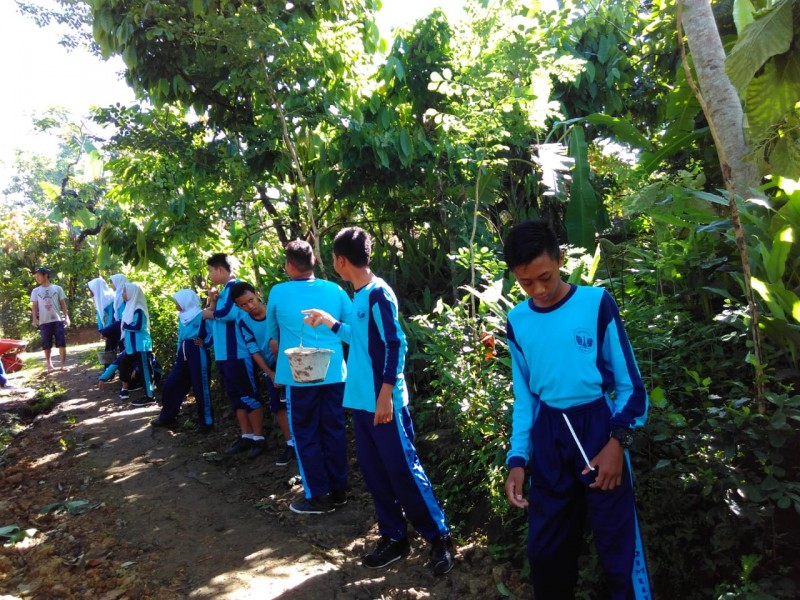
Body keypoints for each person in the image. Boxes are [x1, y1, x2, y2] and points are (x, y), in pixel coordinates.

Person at [501, 219, 652, 599]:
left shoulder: (596, 303)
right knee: (545, 553)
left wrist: (618, 443)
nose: (539, 290)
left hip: (599, 428)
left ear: (559, 259)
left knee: (618, 550)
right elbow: (526, 398)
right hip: (549, 435)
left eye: (545, 277)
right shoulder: (517, 321)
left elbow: (632, 388)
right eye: (526, 283)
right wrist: (517, 459)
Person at [303, 226, 455, 575]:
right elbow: (361, 339)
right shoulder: (359, 295)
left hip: (384, 404)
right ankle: (394, 537)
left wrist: (386, 394)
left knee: (404, 471)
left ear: (341, 261)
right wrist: (330, 323)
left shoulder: (378, 294)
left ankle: (439, 536)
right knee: (375, 474)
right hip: (361, 402)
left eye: (333, 259)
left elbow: (395, 344)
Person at [266, 240, 351, 514]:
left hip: (300, 375)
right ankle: (339, 491)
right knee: (334, 430)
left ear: (289, 265)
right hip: (333, 372)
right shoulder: (335, 290)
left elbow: (272, 337)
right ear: (313, 261)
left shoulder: (278, 292)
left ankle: (319, 496)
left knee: (305, 433)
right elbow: (351, 327)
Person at [202, 253, 263, 456]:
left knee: (248, 394)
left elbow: (228, 313)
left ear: (220, 270)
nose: (209, 275)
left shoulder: (234, 288)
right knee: (236, 397)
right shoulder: (223, 292)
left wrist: (209, 313)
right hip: (224, 354)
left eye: (211, 270)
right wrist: (212, 303)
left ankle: (259, 438)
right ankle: (246, 436)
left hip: (238, 352)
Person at [231, 281, 294, 462]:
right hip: (271, 368)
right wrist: (271, 373)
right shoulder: (243, 322)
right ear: (238, 306)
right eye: (243, 304)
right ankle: (290, 444)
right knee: (278, 406)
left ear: (257, 294)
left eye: (251, 300)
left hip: (290, 361)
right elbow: (253, 350)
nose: (249, 306)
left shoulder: (275, 311)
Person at [151, 289, 214, 432]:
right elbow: (181, 338)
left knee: (200, 387)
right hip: (183, 353)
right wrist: (178, 354)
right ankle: (167, 417)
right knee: (171, 383)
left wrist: (206, 343)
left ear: (186, 301)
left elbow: (213, 332)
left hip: (197, 352)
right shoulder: (182, 317)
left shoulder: (202, 315)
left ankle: (206, 422)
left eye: (177, 302)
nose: (176, 304)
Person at [118, 282, 155, 406]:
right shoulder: (130, 307)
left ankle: (150, 396)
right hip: (133, 347)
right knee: (123, 364)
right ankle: (127, 388)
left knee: (145, 370)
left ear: (132, 293)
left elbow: (138, 326)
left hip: (141, 345)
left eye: (125, 291)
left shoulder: (138, 309)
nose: (123, 294)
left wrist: (125, 326)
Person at [30, 267, 70, 372]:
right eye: (36, 277)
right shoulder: (35, 291)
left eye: (39, 276)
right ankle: (49, 365)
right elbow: (34, 306)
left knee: (61, 342)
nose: (37, 278)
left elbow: (63, 304)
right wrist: (34, 319)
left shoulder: (57, 288)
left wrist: (66, 317)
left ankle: (63, 365)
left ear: (46, 275)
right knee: (46, 344)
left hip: (57, 320)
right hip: (44, 321)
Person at [87, 277, 115, 351]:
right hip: (106, 330)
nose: (90, 292)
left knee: (111, 349)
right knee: (109, 350)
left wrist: (106, 331)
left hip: (111, 329)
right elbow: (99, 315)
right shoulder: (98, 299)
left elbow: (111, 317)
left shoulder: (110, 299)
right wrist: (101, 330)